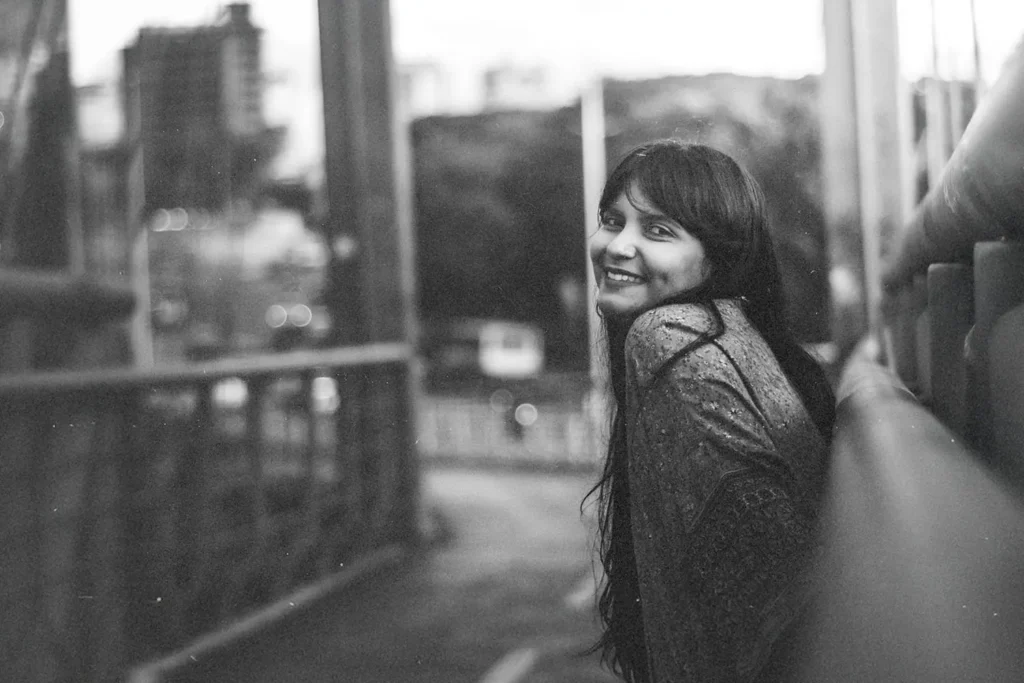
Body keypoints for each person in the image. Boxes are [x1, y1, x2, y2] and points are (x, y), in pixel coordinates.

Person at [584, 140, 835, 683]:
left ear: (718, 258)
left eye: (658, 231)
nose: (616, 246)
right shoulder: (736, 335)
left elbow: (764, 587)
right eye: (611, 220)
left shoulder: (668, 338)